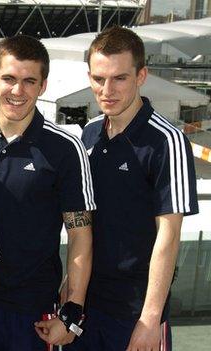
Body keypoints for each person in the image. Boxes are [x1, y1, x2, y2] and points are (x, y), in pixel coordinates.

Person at [0, 35, 95, 350]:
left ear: (43, 86)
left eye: (29, 81)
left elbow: (80, 233)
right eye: (9, 79)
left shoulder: (65, 149)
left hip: (31, 312)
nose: (17, 90)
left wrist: (72, 312)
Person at [66, 26, 199, 351]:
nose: (107, 90)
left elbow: (168, 237)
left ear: (142, 75)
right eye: (98, 79)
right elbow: (81, 222)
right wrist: (70, 292)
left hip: (134, 313)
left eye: (119, 78)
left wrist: (150, 319)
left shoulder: (167, 141)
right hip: (87, 307)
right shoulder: (90, 134)